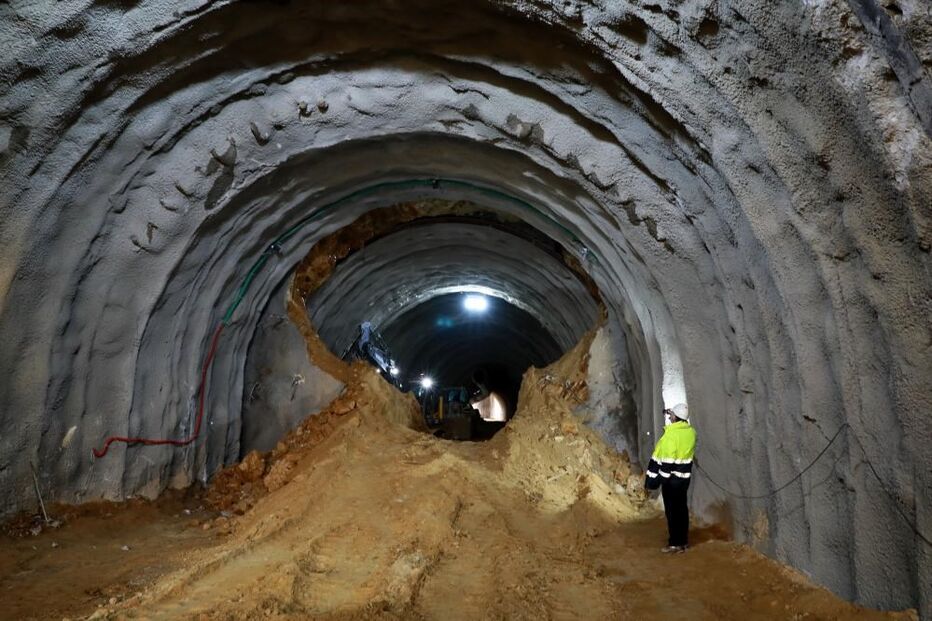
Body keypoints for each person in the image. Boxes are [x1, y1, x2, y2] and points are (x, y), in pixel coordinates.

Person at [645, 402, 696, 553]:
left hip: (671, 480)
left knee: (672, 511)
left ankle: (674, 543)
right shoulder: (691, 433)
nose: (670, 417)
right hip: (684, 478)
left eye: (672, 415)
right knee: (682, 509)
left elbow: (667, 462)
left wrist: (662, 479)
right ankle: (683, 542)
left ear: (676, 417)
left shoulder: (671, 435)